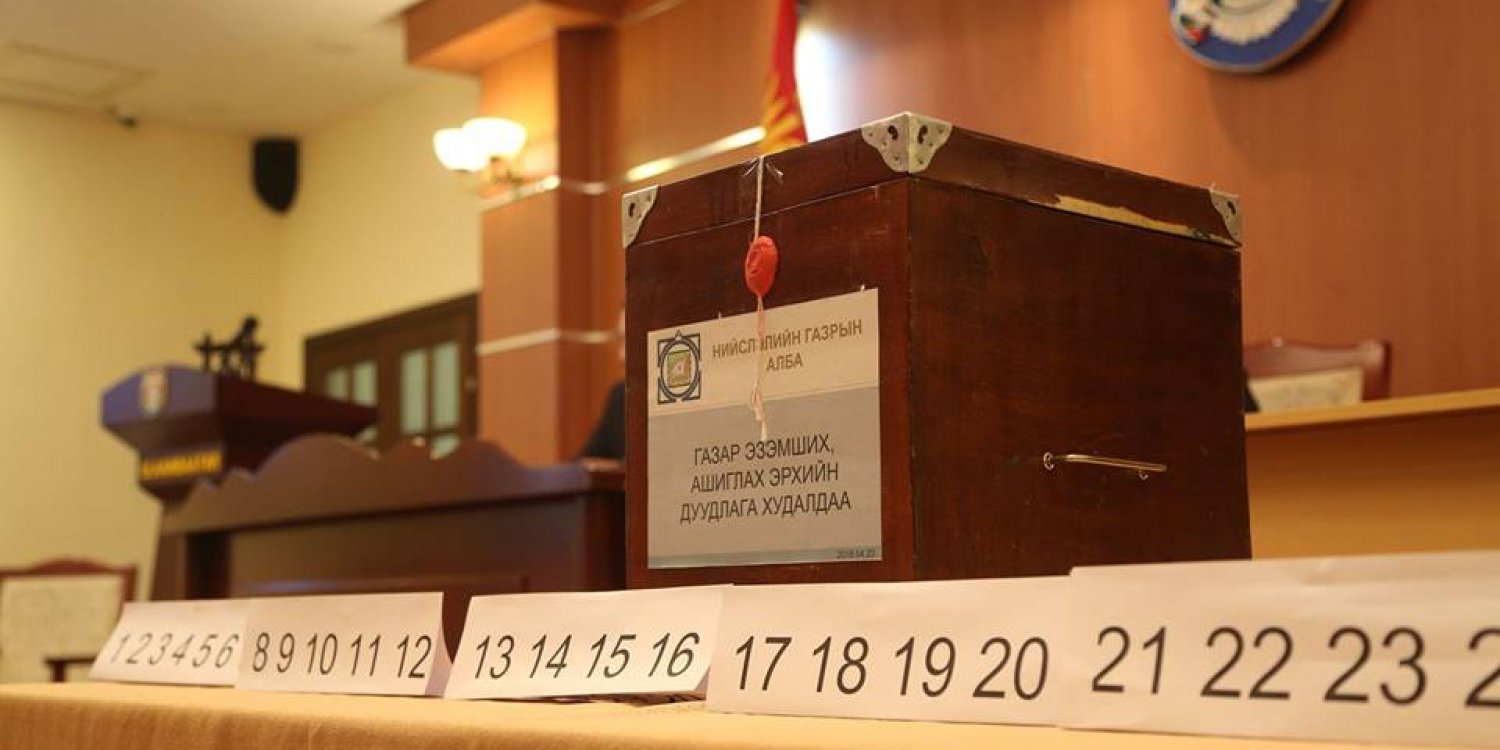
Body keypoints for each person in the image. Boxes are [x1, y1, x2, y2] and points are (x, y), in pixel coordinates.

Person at [578, 307, 625, 460]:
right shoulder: (620, 397)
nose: (621, 356)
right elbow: (585, 462)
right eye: (621, 341)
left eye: (630, 341)